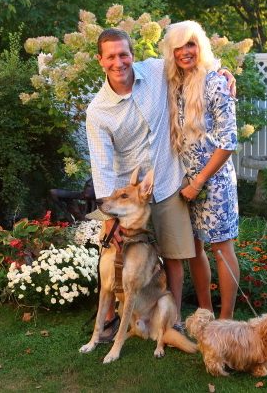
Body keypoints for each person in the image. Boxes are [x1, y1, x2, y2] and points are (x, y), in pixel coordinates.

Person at [86, 29, 234, 338]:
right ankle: (113, 319)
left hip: (167, 180)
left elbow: (194, 65)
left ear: (132, 54)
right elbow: (101, 165)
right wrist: (110, 218)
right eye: (110, 56)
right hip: (131, 195)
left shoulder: (154, 70)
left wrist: (222, 73)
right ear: (100, 60)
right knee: (117, 255)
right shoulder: (98, 111)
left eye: (123, 54)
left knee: (176, 255)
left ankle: (174, 318)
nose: (118, 61)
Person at [161, 21, 240, 320]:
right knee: (194, 247)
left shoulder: (216, 82)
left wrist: (200, 182)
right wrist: (190, 184)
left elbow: (229, 141)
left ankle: (226, 319)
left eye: (190, 44)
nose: (185, 52)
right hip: (185, 181)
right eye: (178, 46)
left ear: (201, 46)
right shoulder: (172, 82)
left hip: (215, 181)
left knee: (221, 247)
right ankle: (205, 312)